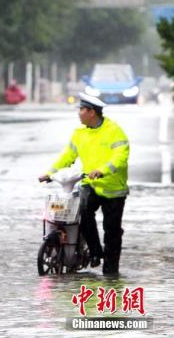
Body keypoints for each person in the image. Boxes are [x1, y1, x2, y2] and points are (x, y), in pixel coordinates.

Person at [38, 92, 130, 275]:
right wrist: (50, 173)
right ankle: (95, 252)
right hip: (90, 183)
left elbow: (121, 156)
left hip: (113, 188)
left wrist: (103, 170)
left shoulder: (114, 130)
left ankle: (111, 271)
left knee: (111, 231)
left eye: (81, 109)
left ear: (92, 112)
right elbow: (67, 156)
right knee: (83, 213)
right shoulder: (79, 133)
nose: (78, 113)